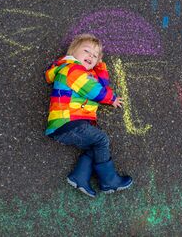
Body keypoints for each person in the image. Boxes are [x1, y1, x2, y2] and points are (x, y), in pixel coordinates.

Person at [44, 33, 133, 197]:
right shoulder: (72, 69)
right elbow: (94, 90)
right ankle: (109, 181)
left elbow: (99, 84)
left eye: (95, 56)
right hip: (68, 122)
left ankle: (79, 177)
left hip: (68, 124)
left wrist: (99, 68)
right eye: (87, 51)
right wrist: (111, 99)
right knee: (101, 140)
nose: (91, 56)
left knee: (96, 146)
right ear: (72, 53)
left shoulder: (82, 72)